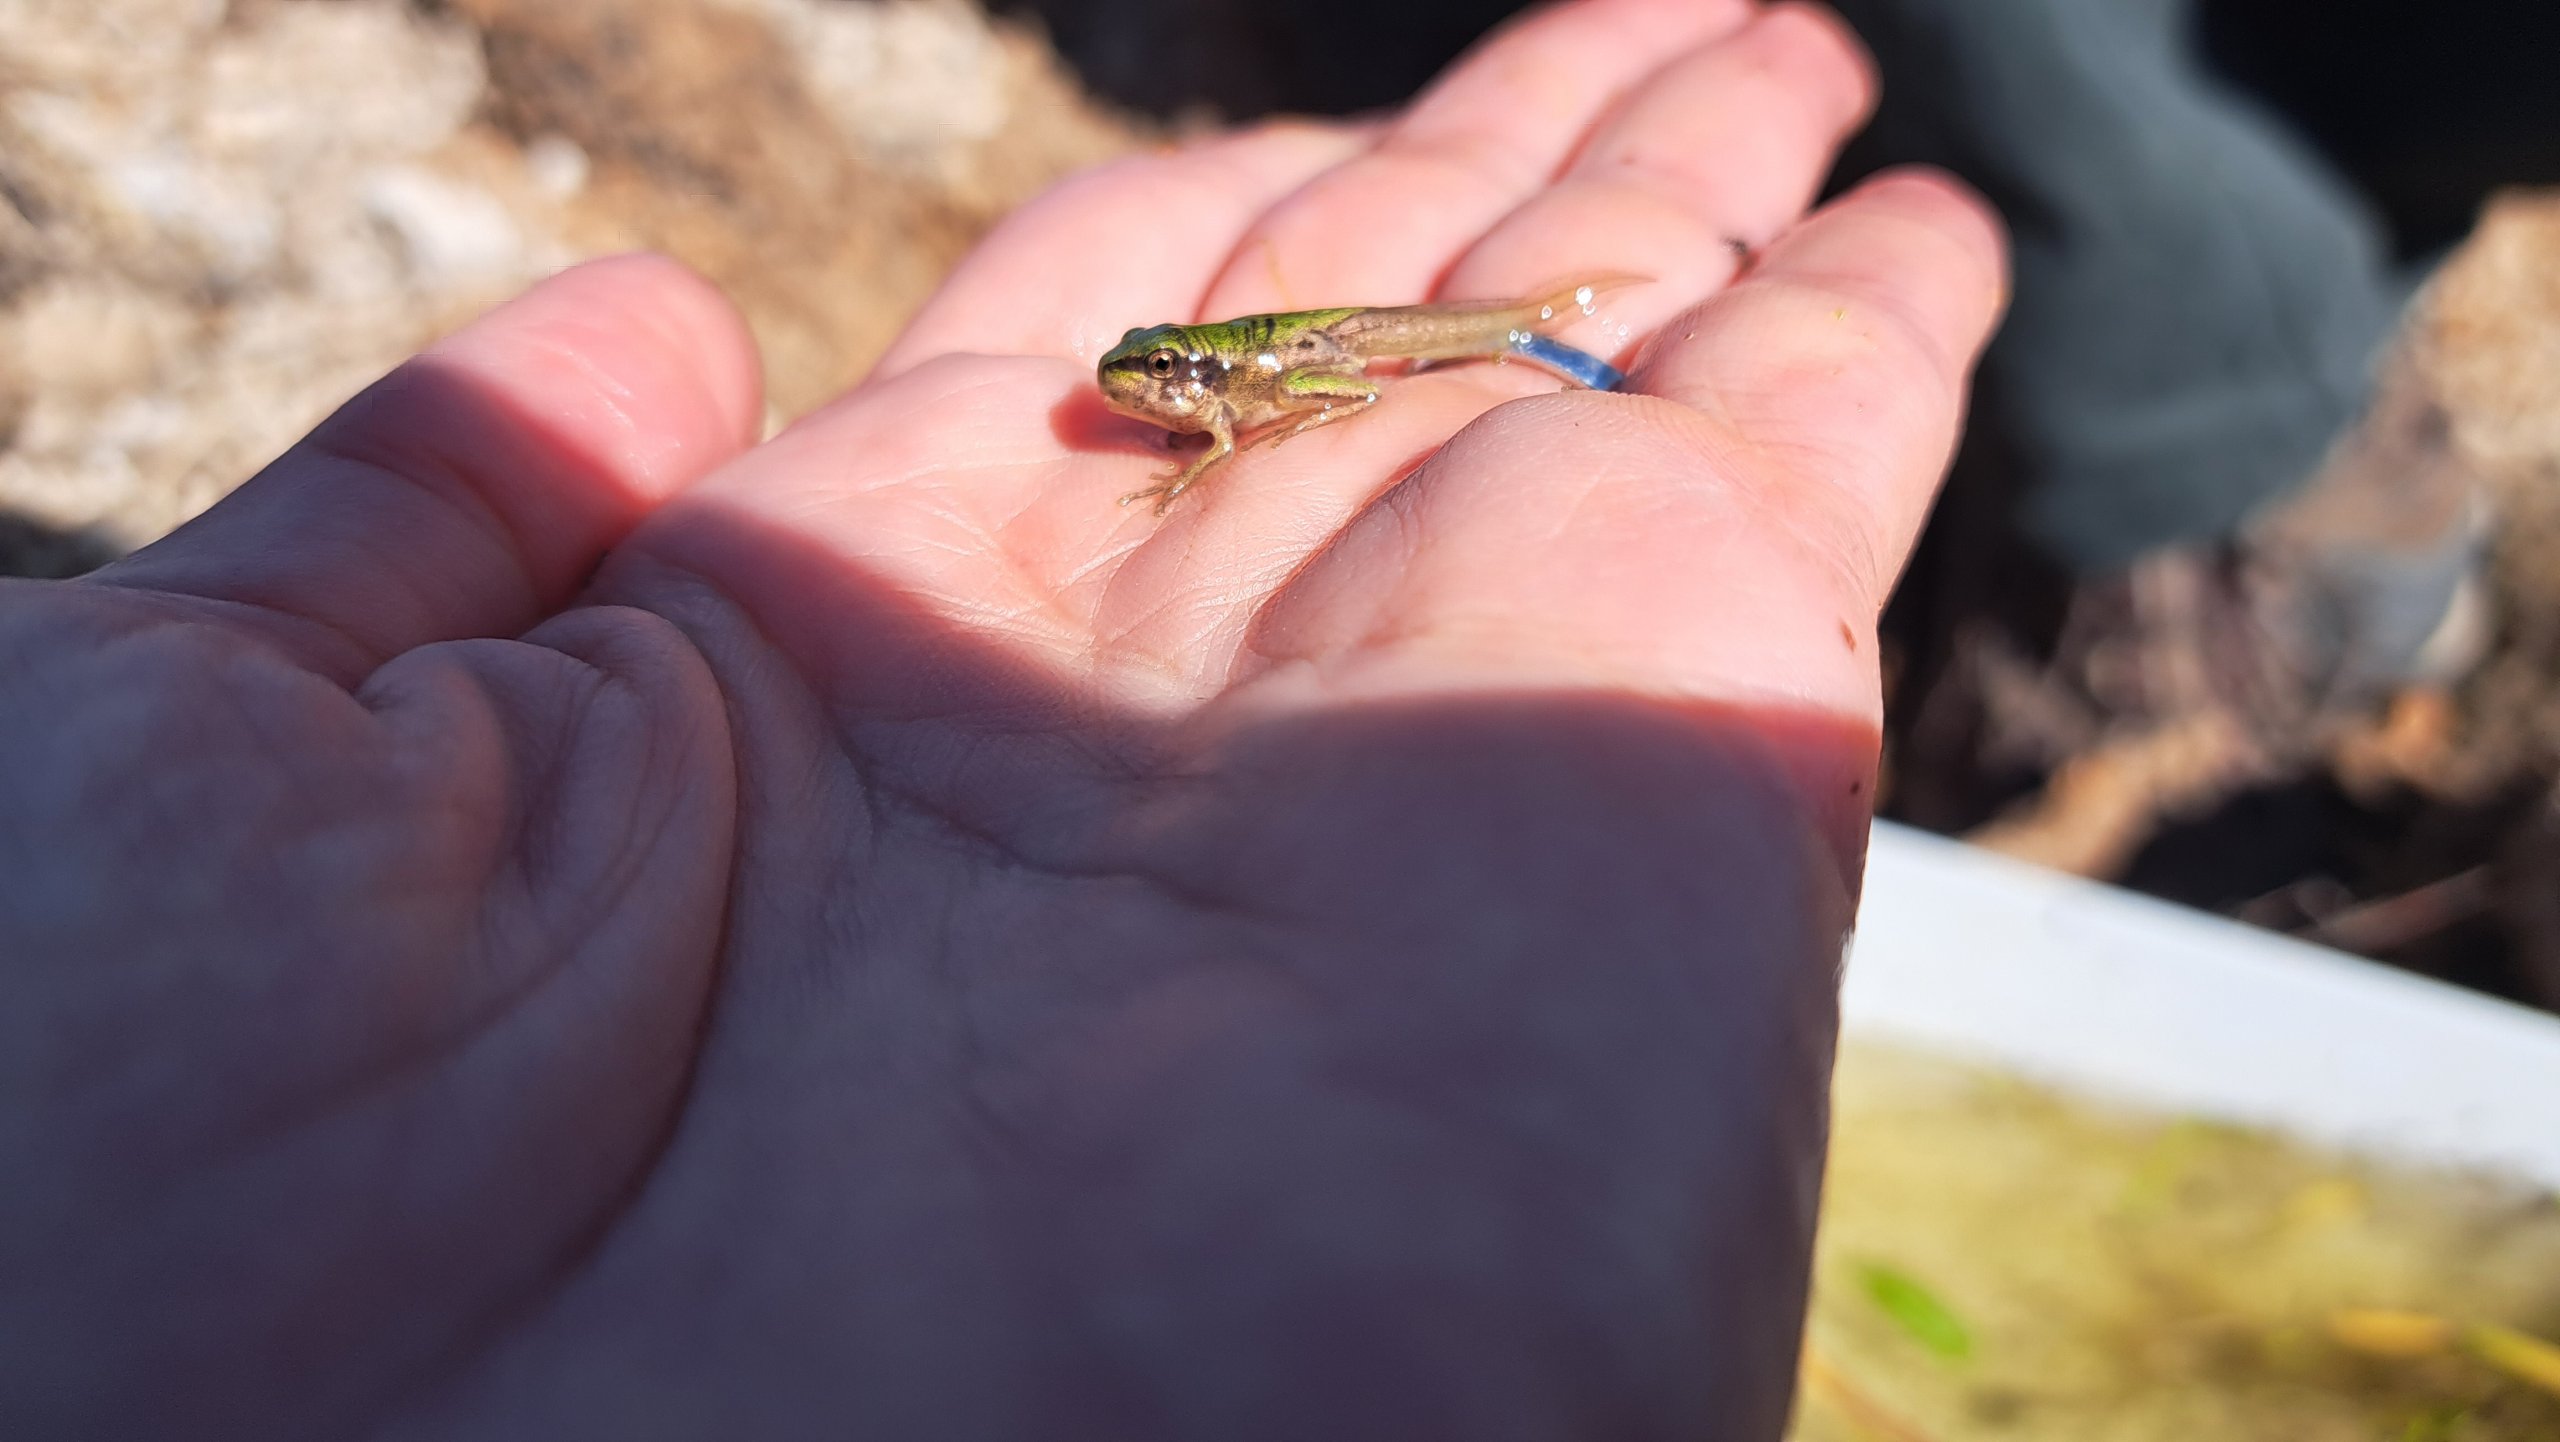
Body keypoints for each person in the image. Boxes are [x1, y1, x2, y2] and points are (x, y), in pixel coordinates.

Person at [0, 1, 2002, 1436]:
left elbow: (1241, 393)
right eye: (1141, 389)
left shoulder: (1226, 395)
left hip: (1355, 350)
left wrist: (1215, 446)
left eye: (1151, 392)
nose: (1129, 398)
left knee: (1477, 336)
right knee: (1487, 329)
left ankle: (1547, 338)